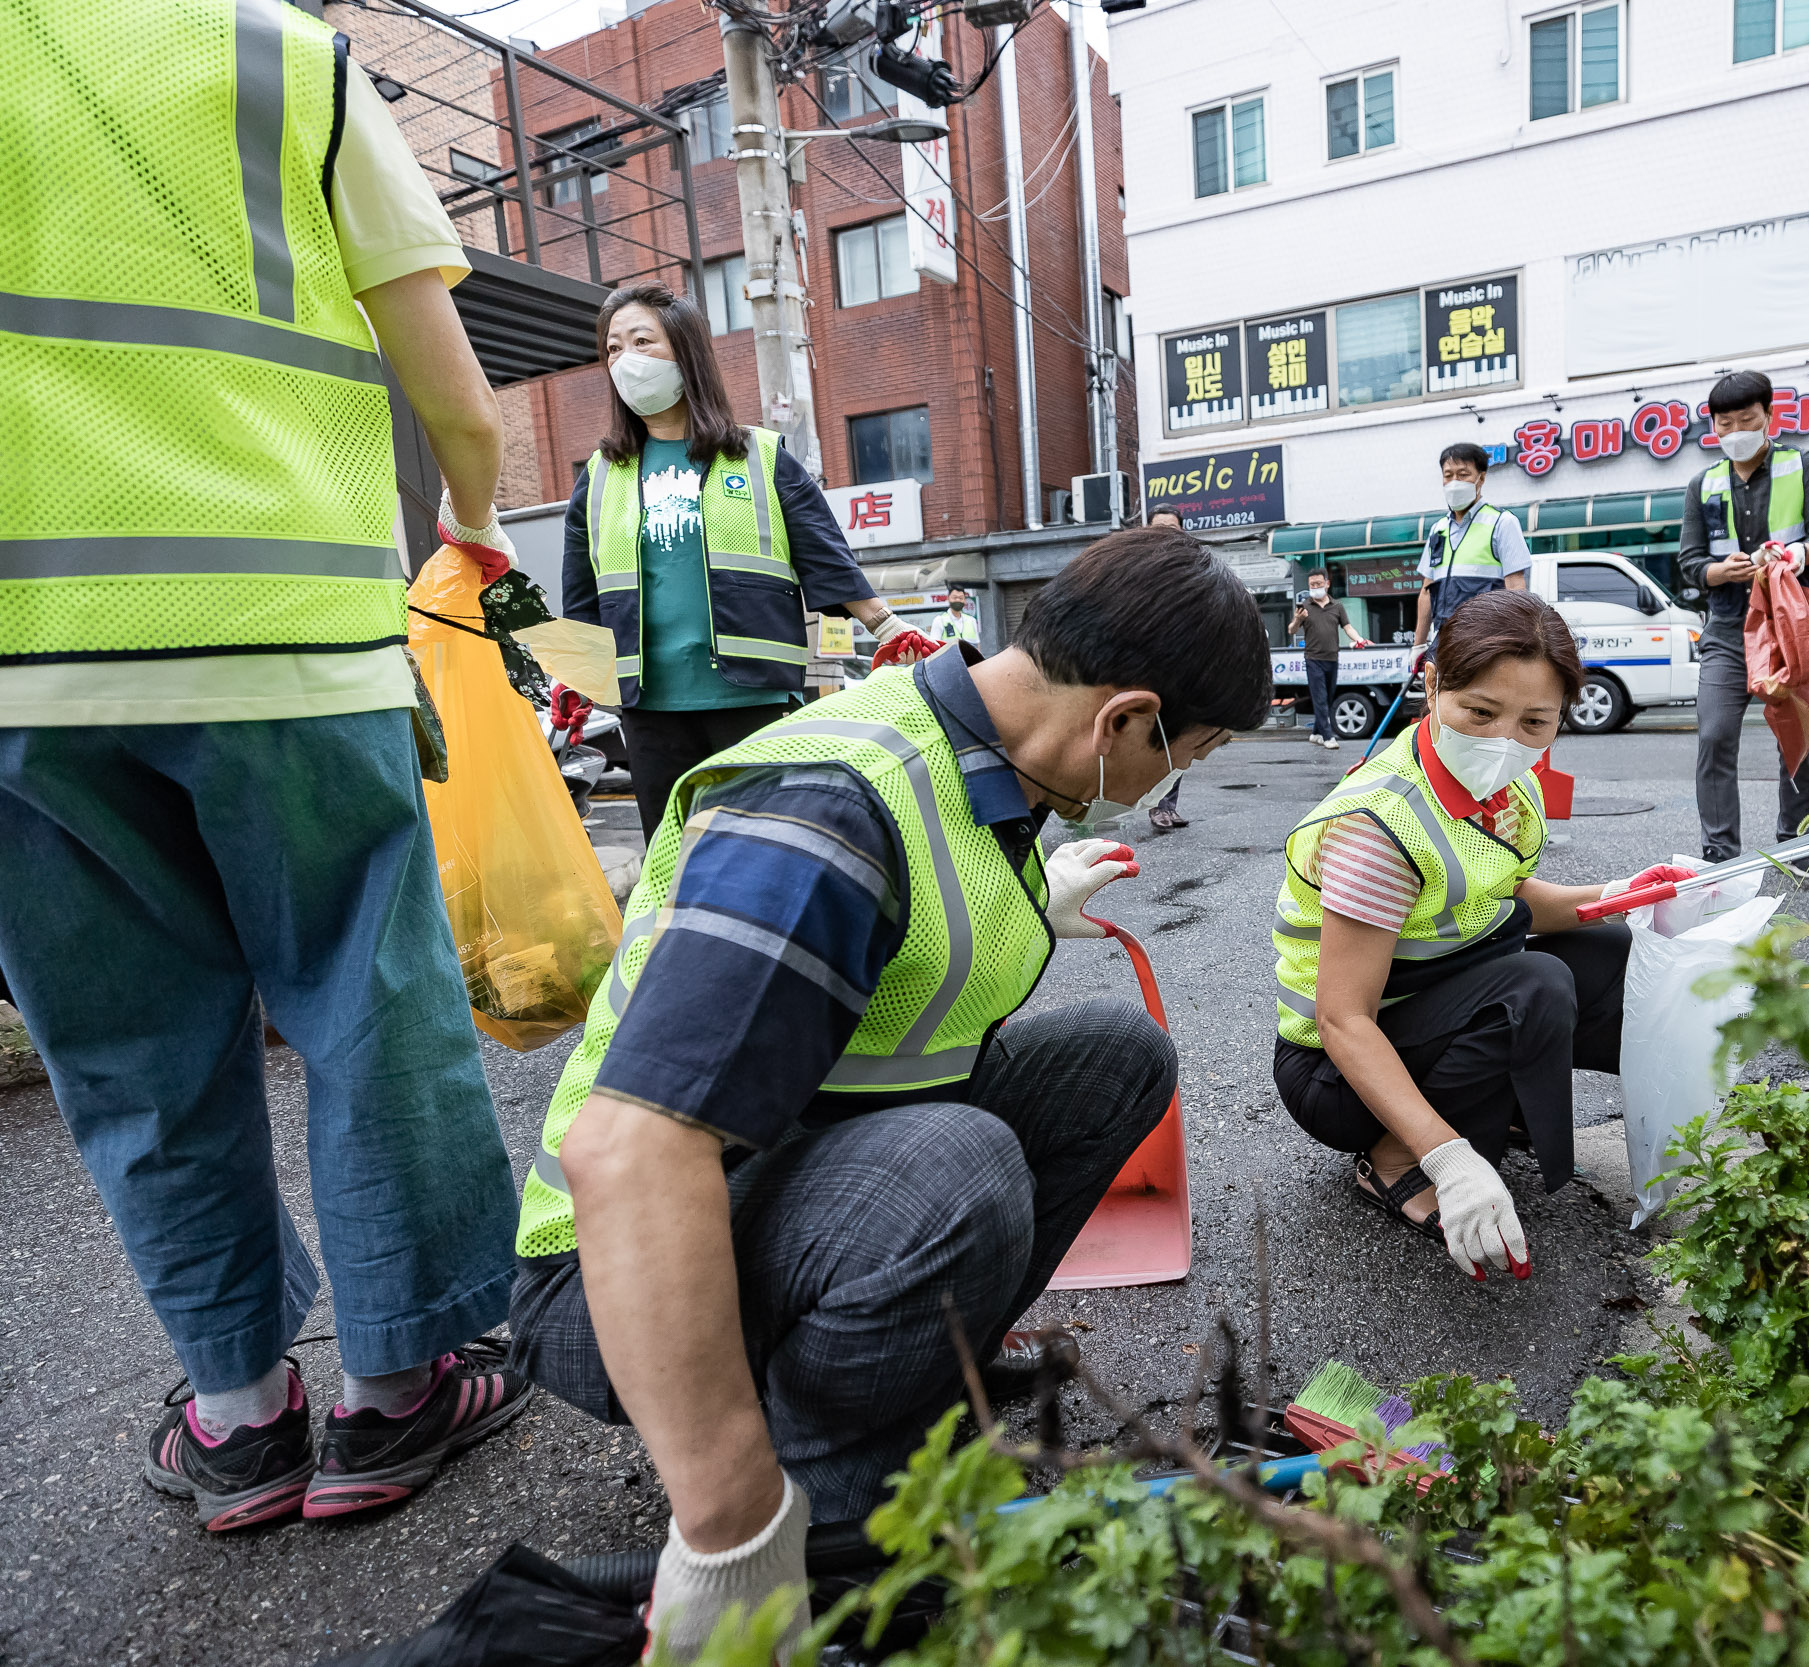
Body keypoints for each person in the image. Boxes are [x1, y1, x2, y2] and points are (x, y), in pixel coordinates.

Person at [506, 530, 1273, 1659]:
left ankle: (907, 1380)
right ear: (1123, 719)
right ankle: (821, 1480)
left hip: (787, 1183)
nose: (1175, 782)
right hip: (608, 1280)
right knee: (955, 1167)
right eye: (1186, 753)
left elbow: (916, 994)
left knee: (1117, 1061)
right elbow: (626, 1151)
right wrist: (728, 1526)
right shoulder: (831, 809)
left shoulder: (990, 762)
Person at [0, 0, 533, 1531]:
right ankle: (400, 1388)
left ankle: (237, 1415)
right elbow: (450, 385)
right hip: (283, 633)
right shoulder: (279, 55)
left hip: (19, 669)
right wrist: (475, 526)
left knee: (125, 1051)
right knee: (371, 996)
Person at [1270, 592, 1682, 1279]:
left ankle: (1500, 1104)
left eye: (1535, 722)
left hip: (1432, 997)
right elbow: (1342, 1018)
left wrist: (1623, 896)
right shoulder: (1379, 826)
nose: (1504, 741)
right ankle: (1397, 1157)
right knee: (1535, 984)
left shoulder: (1510, 787)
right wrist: (1446, 1156)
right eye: (1480, 713)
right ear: (1432, 683)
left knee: (1613, 956)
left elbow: (1511, 898)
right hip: (1335, 1071)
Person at [561, 283, 916, 841]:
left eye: (641, 341)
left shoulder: (760, 456)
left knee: (767, 849)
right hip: (649, 708)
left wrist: (888, 625)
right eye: (612, 349)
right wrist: (572, 681)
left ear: (686, 352)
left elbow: (825, 555)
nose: (625, 361)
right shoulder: (601, 477)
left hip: (754, 698)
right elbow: (581, 595)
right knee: (671, 857)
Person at [1676, 370, 1809, 872]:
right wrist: (1717, 571)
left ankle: (1796, 847)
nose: (1735, 432)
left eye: (1746, 420)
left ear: (1769, 416)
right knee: (1714, 734)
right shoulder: (1701, 484)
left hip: (1792, 627)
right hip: (1728, 630)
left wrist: (1796, 554)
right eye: (1724, 424)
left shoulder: (1807, 465)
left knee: (1798, 738)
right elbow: (1689, 562)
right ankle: (1720, 854)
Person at [1413, 443, 1529, 655]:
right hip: (1445, 642)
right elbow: (1427, 592)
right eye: (1448, 475)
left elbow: (1515, 585)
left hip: (1487, 640)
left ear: (1481, 478)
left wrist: (1520, 639)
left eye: (1463, 474)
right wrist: (1419, 644)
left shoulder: (1501, 522)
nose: (1454, 482)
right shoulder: (1438, 530)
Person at [1145, 508, 1193, 829]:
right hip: (1149, 663)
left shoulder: (1192, 565)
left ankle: (1169, 805)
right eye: (1159, 528)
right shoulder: (1135, 565)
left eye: (1172, 528)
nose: (1165, 533)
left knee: (1181, 740)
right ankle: (1155, 805)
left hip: (1184, 661)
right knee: (1156, 739)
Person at [1290, 568, 1371, 751]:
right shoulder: (1305, 607)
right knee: (1319, 698)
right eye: (1312, 585)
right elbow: (1291, 630)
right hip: (1313, 659)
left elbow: (1347, 627)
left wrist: (1358, 639)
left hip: (1332, 658)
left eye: (1318, 584)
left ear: (1327, 583)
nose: (1315, 587)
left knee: (1328, 698)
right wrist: (1297, 619)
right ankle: (1328, 736)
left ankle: (1316, 733)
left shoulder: (1337, 606)